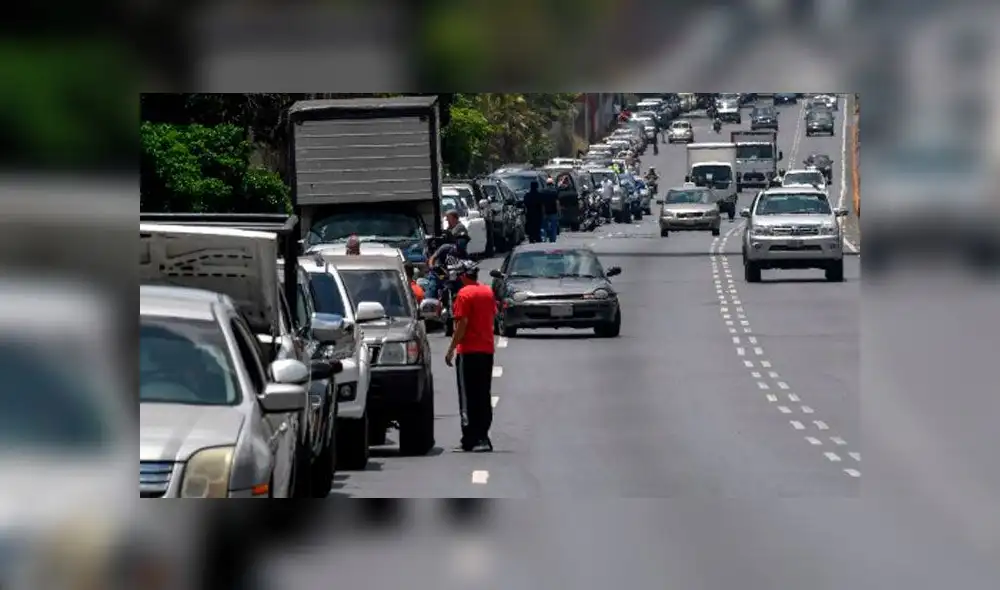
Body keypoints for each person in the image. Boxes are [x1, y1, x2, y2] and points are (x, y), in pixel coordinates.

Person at [443, 260, 495, 452]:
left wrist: (451, 349)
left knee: (467, 397)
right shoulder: (487, 292)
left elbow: (462, 325)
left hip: (469, 351)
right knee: (483, 394)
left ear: (464, 275)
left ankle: (470, 438)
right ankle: (483, 435)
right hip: (486, 350)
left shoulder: (464, 294)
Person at [541, 177, 560, 243]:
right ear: (552, 184)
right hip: (553, 212)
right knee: (554, 227)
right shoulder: (555, 192)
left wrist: (543, 213)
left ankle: (544, 239)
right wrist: (559, 212)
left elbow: (542, 204)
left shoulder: (542, 192)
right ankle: (553, 240)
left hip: (545, 212)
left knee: (544, 227)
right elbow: (557, 203)